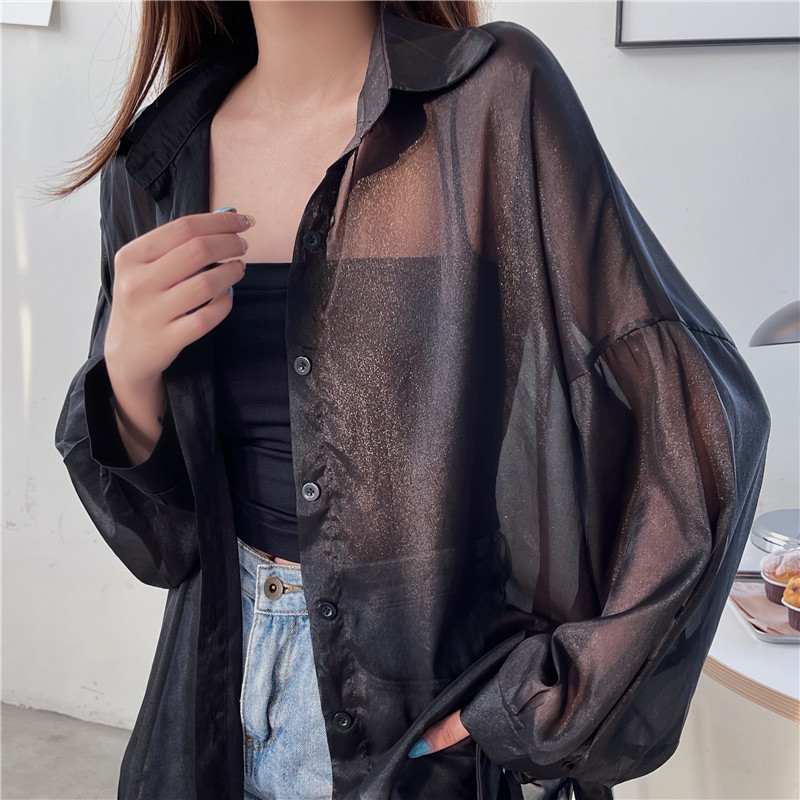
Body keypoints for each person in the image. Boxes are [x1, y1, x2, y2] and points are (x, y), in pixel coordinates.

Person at [51, 2, 772, 799]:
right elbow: (163, 545)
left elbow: (699, 425)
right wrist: (127, 378)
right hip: (204, 712)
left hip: (418, 729)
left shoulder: (490, 100)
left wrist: (550, 698)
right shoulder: (158, 160)